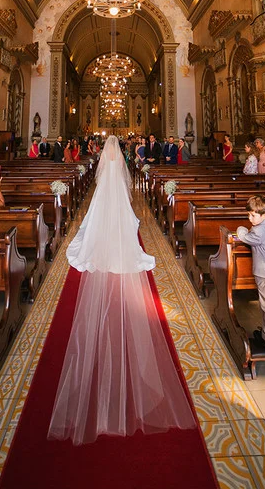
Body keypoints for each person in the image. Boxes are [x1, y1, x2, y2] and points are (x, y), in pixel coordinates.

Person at [48, 136, 195, 445]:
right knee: (120, 222)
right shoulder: (120, 171)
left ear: (105, 154)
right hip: (117, 199)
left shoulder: (103, 170)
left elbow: (101, 185)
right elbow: (122, 190)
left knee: (97, 223)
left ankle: (102, 245)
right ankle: (117, 245)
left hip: (103, 198)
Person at [236, 195, 265, 349]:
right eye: (248, 215)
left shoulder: (258, 231)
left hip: (264, 273)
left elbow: (244, 236)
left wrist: (241, 228)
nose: (250, 218)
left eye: (253, 215)